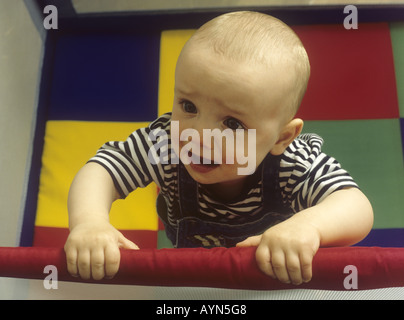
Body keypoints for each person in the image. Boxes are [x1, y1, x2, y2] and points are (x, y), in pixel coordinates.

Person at [64, 11, 373, 285]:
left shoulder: (293, 164)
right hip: (197, 276)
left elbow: (355, 205)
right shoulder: (167, 144)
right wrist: (90, 222)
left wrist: (307, 227)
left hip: (274, 278)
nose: (199, 135)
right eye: (188, 106)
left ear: (281, 138)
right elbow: (103, 168)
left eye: (233, 124)